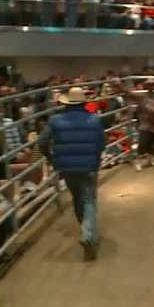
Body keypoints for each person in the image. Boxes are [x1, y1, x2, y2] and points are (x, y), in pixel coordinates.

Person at [38, 87, 105, 261]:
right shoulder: (95, 120)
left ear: (66, 103)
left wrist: (51, 158)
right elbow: (102, 143)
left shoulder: (55, 120)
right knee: (89, 199)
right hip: (89, 166)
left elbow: (42, 142)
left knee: (77, 197)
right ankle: (87, 234)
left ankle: (85, 228)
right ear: (83, 102)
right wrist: (95, 156)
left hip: (66, 167)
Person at [131, 79, 154, 171]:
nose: (151, 87)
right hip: (144, 124)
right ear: (146, 86)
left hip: (153, 123)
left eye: (153, 85)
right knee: (142, 143)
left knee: (151, 143)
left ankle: (150, 161)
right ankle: (138, 162)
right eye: (149, 85)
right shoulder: (142, 97)